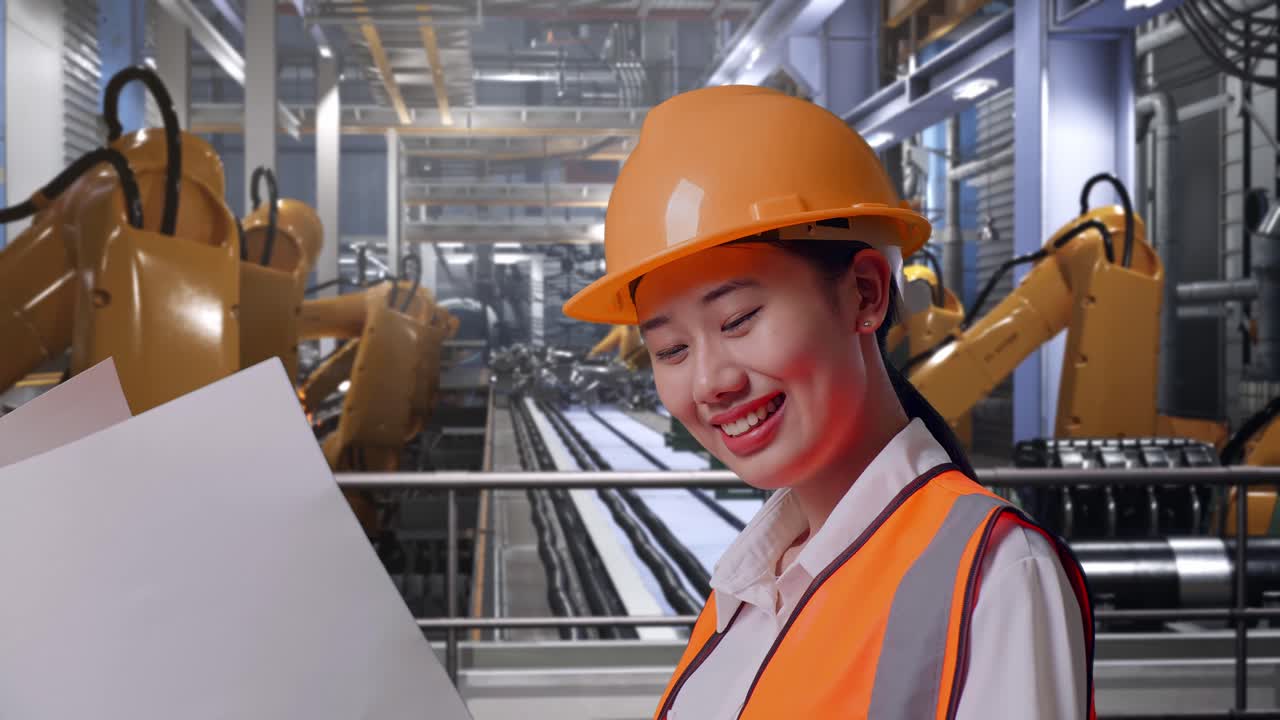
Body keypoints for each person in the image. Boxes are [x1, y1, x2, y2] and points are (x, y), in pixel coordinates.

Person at [562, 85, 1095, 720]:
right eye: (671, 349)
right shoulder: (750, 585)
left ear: (865, 294)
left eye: (739, 319)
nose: (708, 383)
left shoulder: (995, 576)